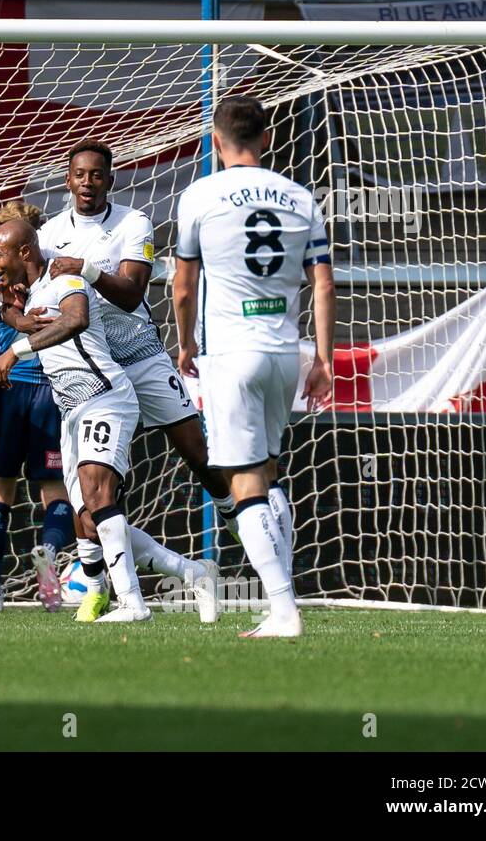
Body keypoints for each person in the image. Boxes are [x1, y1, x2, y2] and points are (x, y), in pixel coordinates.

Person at [0, 220, 217, 624]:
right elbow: (15, 313)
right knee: (89, 523)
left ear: (24, 251)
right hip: (71, 410)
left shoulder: (65, 277)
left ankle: (132, 604)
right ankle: (192, 573)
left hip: (104, 398)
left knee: (98, 494)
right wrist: (14, 317)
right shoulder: (35, 290)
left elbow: (74, 318)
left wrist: (17, 350)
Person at [173, 95, 335, 638]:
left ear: (215, 141)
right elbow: (325, 283)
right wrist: (326, 359)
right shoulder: (300, 197)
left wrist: (185, 344)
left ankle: (284, 609)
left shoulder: (199, 195)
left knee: (243, 482)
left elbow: (182, 287)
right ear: (266, 139)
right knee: (268, 472)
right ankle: (282, 595)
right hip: (285, 355)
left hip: (231, 355)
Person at [0, 201, 73, 613]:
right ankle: (49, 556)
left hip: (9, 396)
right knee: (56, 492)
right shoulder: (56, 283)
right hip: (54, 394)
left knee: (0, 491)